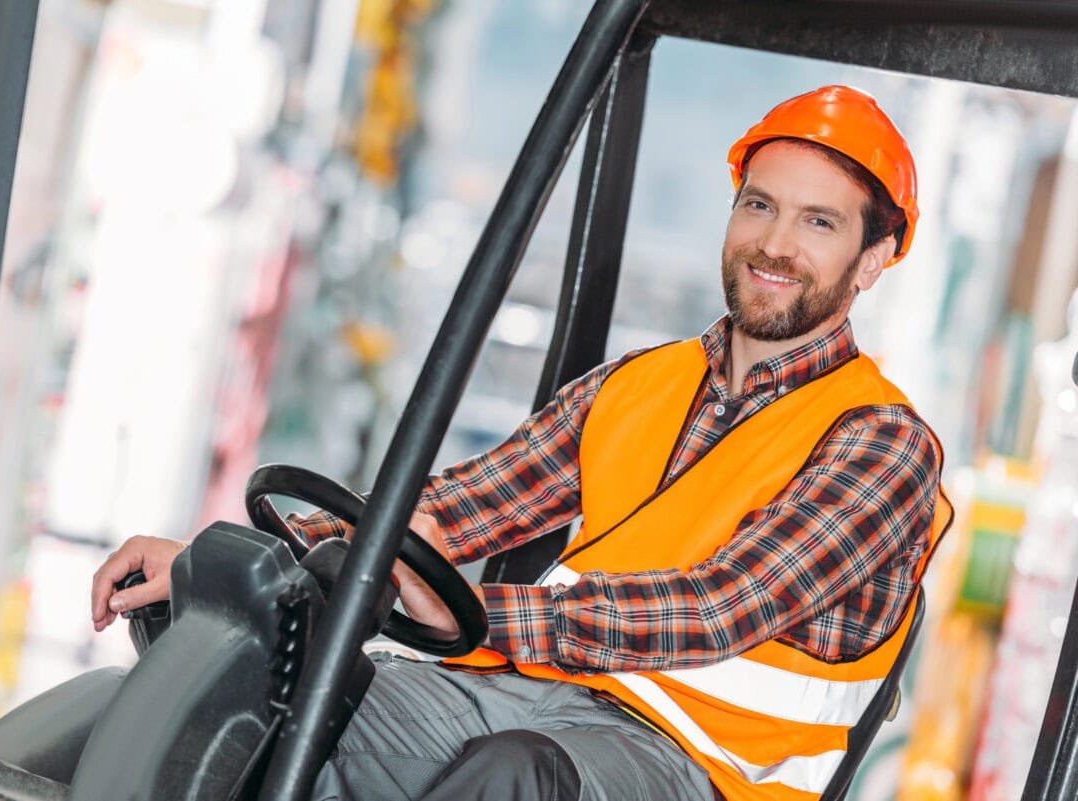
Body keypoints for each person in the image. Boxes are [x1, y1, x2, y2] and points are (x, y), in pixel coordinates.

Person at [91, 85, 952, 801]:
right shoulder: (637, 386)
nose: (774, 243)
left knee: (515, 780)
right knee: (265, 693)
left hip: (702, 770)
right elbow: (454, 509)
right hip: (523, 698)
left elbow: (719, 607)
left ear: (874, 259)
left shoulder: (884, 445)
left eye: (819, 223)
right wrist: (244, 571)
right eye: (759, 205)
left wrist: (475, 613)